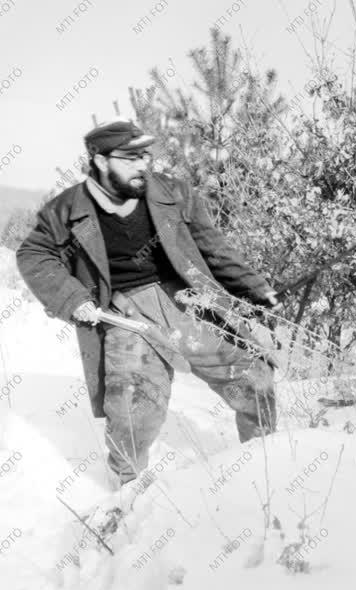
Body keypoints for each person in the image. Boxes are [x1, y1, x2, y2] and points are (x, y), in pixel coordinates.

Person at [16, 118, 279, 489]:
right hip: (125, 314)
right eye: (130, 158)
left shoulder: (174, 193)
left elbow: (214, 248)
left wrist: (255, 289)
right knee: (133, 412)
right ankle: (128, 494)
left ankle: (265, 467)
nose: (143, 166)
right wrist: (72, 298)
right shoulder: (66, 208)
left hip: (184, 302)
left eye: (145, 156)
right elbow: (33, 254)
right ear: (101, 160)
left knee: (253, 378)